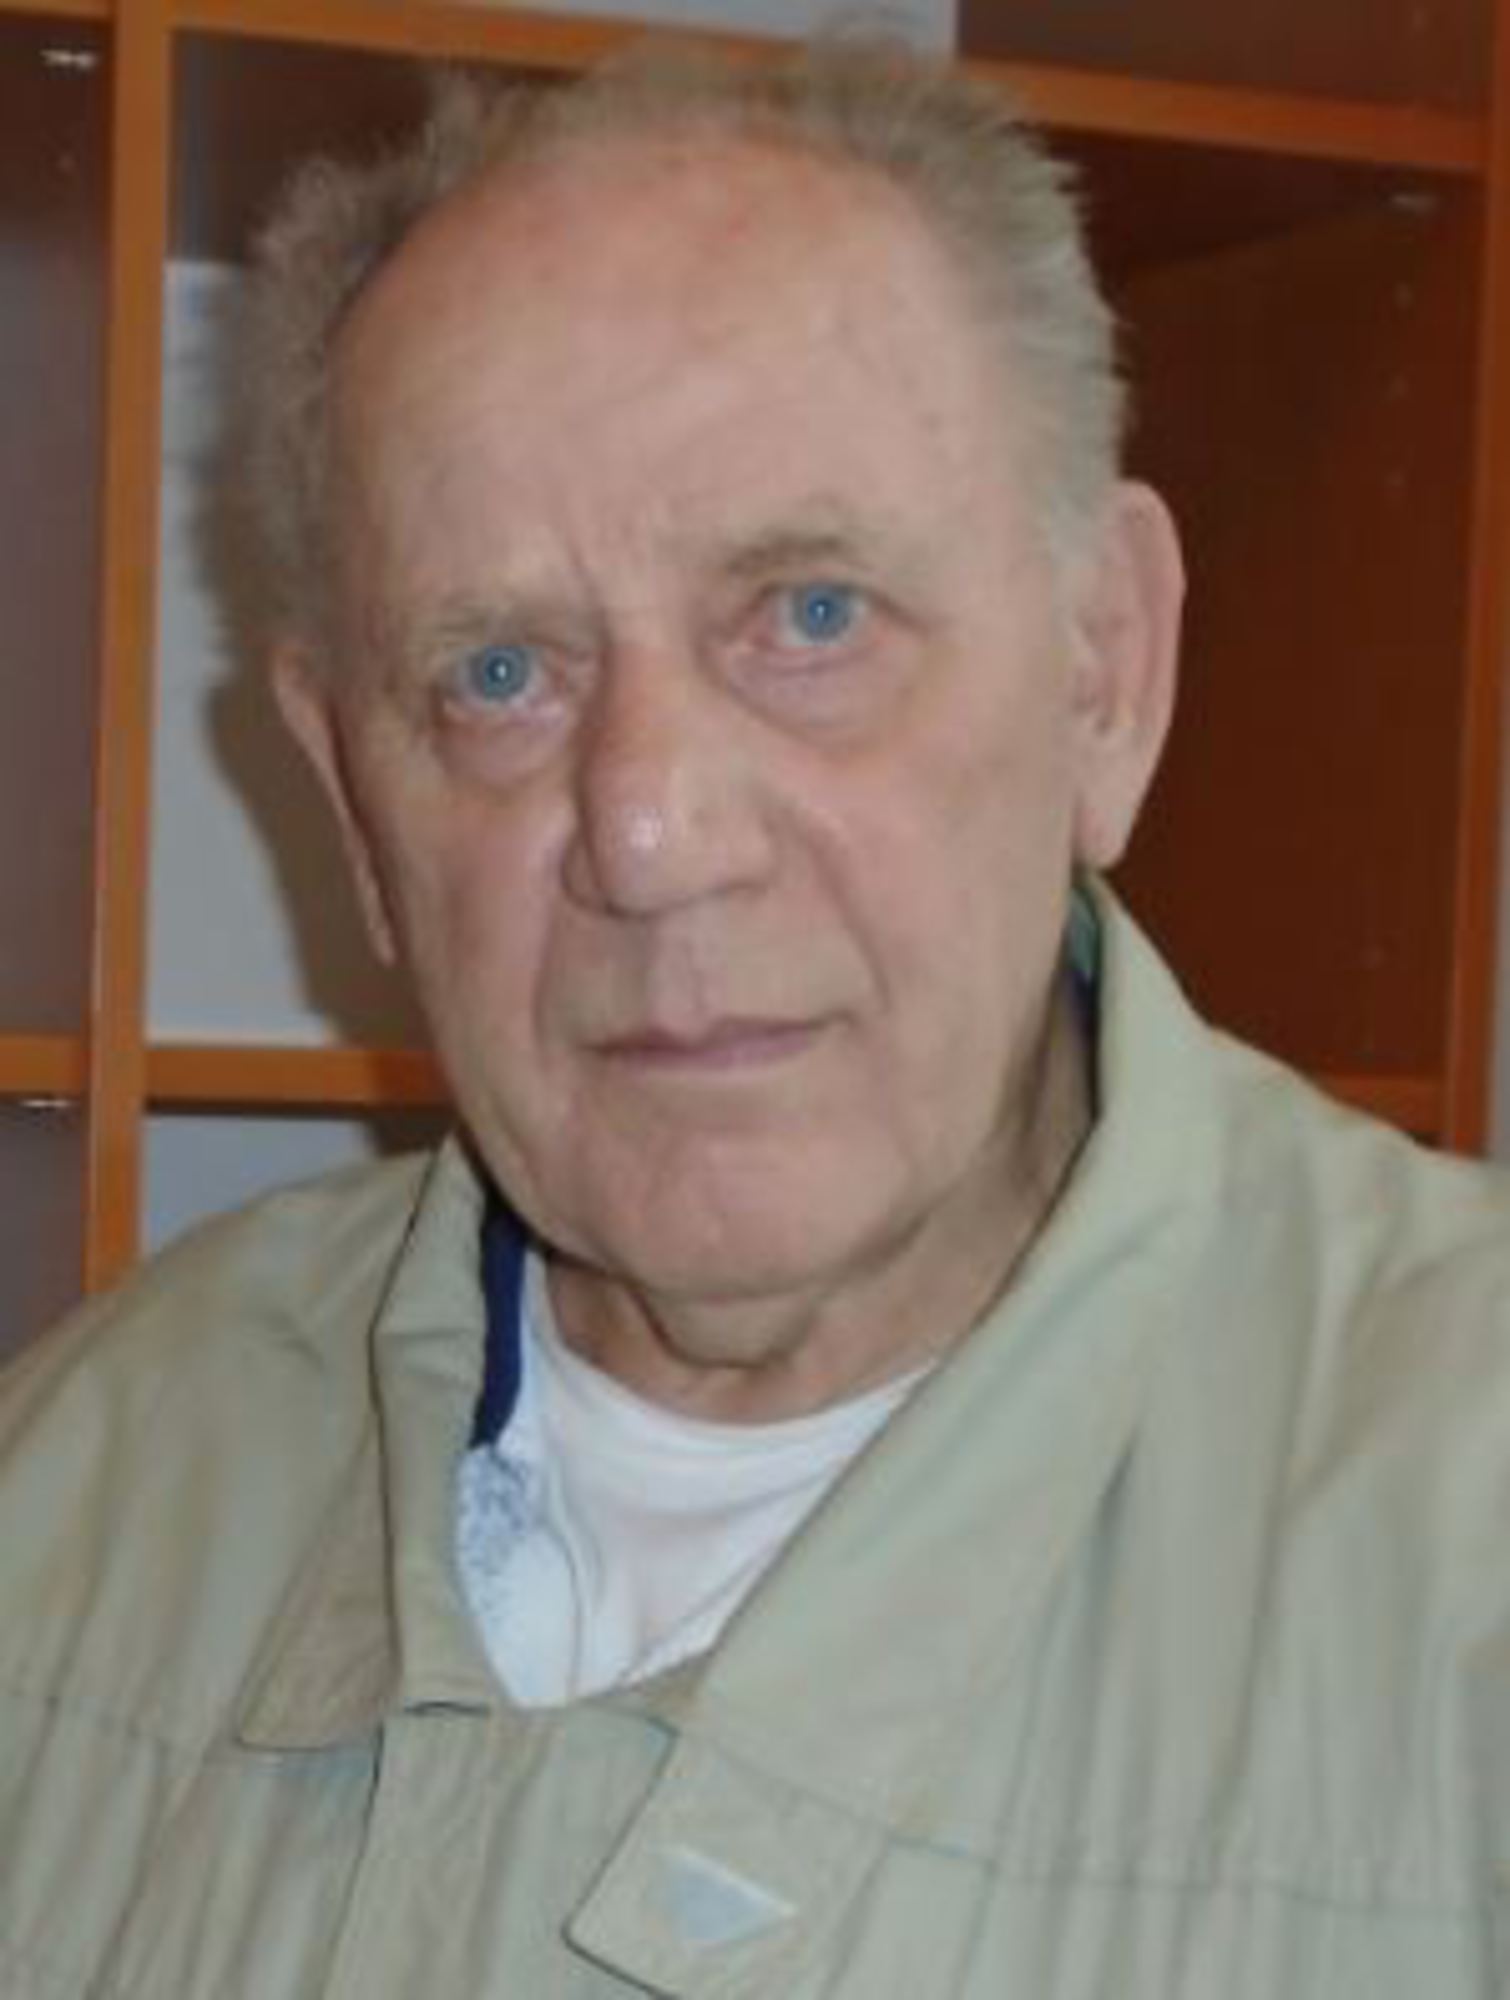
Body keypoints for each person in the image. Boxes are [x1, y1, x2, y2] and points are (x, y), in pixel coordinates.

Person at [1, 39, 1507, 1999]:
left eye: (809, 617)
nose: (648, 835)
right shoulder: (72, 1489)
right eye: (497, 672)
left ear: (1103, 673)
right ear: (356, 809)